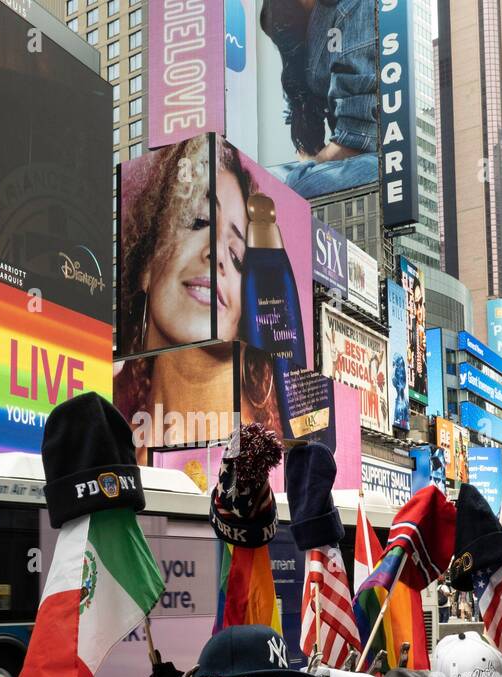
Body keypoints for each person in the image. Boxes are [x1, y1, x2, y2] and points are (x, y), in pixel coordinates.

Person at [114, 138, 280, 463]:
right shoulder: (105, 427)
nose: (217, 254)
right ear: (146, 261)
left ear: (242, 316)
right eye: (198, 222)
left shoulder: (262, 460)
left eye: (237, 256)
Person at [262, 0, 379, 199]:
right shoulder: (283, 15)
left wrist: (310, 166)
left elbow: (356, 140)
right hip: (342, 158)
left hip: (381, 160)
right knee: (257, 187)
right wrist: (309, 161)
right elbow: (298, 107)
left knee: (297, 188)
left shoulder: (354, 6)